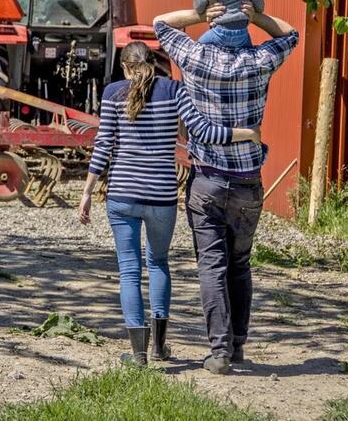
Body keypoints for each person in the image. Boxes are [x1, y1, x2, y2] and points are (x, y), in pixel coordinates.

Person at [78, 42, 261, 366]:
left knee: (129, 271)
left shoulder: (112, 94)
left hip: (122, 195)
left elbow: (104, 144)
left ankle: (137, 354)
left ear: (125, 67)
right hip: (162, 196)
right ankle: (160, 347)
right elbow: (203, 132)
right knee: (159, 263)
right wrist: (246, 133)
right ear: (155, 63)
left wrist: (88, 190)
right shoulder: (174, 90)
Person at [153, 2, 299, 375]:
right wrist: (258, 17)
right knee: (240, 264)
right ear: (245, 29)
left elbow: (161, 23)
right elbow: (290, 33)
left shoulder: (196, 56)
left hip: (208, 180)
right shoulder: (260, 60)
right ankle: (237, 348)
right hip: (249, 181)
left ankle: (218, 353)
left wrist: (202, 14)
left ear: (214, 27)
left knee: (211, 266)